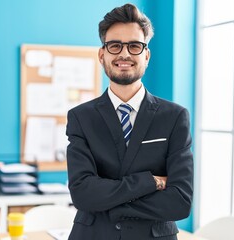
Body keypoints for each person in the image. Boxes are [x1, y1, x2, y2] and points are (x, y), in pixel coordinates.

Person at [66, 3, 193, 240]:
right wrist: (150, 181)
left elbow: (180, 201)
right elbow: (83, 194)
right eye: (115, 45)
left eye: (134, 46)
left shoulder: (175, 117)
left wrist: (111, 203)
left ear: (146, 54)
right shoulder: (81, 117)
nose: (124, 54)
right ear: (102, 54)